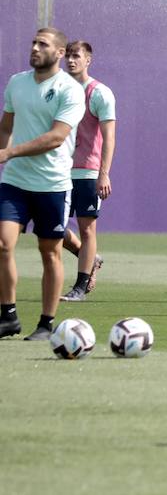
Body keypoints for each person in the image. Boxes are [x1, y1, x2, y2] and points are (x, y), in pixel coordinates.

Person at [0, 28, 85, 341]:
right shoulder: (16, 83)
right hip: (15, 181)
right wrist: (4, 150)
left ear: (60, 53)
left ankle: (46, 324)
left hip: (52, 184)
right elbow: (5, 127)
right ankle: (7, 315)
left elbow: (56, 137)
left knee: (50, 252)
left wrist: (9, 152)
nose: (35, 48)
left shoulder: (70, 90)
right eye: (33, 43)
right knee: (2, 244)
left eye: (43, 44)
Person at [57, 41, 115, 302]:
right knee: (51, 228)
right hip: (58, 172)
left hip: (88, 174)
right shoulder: (58, 90)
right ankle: (92, 258)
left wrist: (104, 173)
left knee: (87, 228)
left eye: (76, 56)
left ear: (88, 60)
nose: (71, 60)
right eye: (68, 55)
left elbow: (109, 136)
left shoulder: (99, 92)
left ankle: (79, 286)